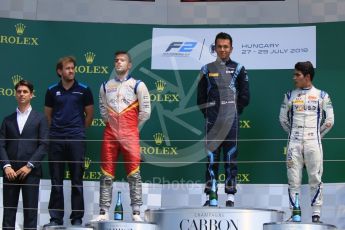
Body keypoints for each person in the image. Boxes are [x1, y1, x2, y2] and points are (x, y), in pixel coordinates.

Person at [94, 51, 151, 222]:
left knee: (134, 173)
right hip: (110, 133)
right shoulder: (105, 85)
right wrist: (113, 124)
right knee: (106, 173)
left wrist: (132, 127)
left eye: (122, 60)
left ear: (129, 64)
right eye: (116, 60)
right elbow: (103, 110)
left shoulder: (138, 85)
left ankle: (136, 212)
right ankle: (103, 211)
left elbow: (146, 112)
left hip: (130, 134)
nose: (118, 62)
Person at [197, 32, 250, 207]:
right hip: (212, 121)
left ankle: (230, 196)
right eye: (219, 46)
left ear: (231, 48)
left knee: (230, 158)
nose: (222, 49)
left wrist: (233, 112)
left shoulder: (239, 68)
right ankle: (210, 195)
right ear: (215, 48)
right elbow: (200, 98)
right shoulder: (206, 68)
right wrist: (210, 114)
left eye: (226, 46)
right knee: (211, 160)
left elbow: (245, 96)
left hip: (231, 121)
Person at [279, 61, 334, 223]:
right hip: (294, 143)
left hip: (313, 143)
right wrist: (294, 134)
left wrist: (317, 135)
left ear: (307, 76)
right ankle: (295, 212)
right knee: (293, 179)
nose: (294, 77)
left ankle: (316, 214)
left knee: (315, 178)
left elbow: (330, 120)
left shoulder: (322, 95)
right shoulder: (289, 95)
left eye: (297, 75)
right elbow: (282, 119)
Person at [43, 56, 94, 227]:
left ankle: (77, 219)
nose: (71, 71)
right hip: (56, 139)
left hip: (76, 139)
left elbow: (90, 115)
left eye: (73, 68)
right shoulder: (51, 90)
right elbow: (48, 116)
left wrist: (77, 131)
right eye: (67, 68)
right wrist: (58, 131)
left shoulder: (84, 89)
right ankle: (55, 219)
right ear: (59, 71)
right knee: (56, 180)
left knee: (77, 180)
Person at [0, 80, 49, 230]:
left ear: (32, 95)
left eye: (25, 91)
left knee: (30, 213)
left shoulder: (40, 118)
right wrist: (6, 166)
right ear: (15, 94)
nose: (22, 94)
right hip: (10, 173)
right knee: (8, 213)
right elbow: (1, 145)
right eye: (19, 91)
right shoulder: (7, 120)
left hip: (31, 172)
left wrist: (29, 166)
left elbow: (44, 145)